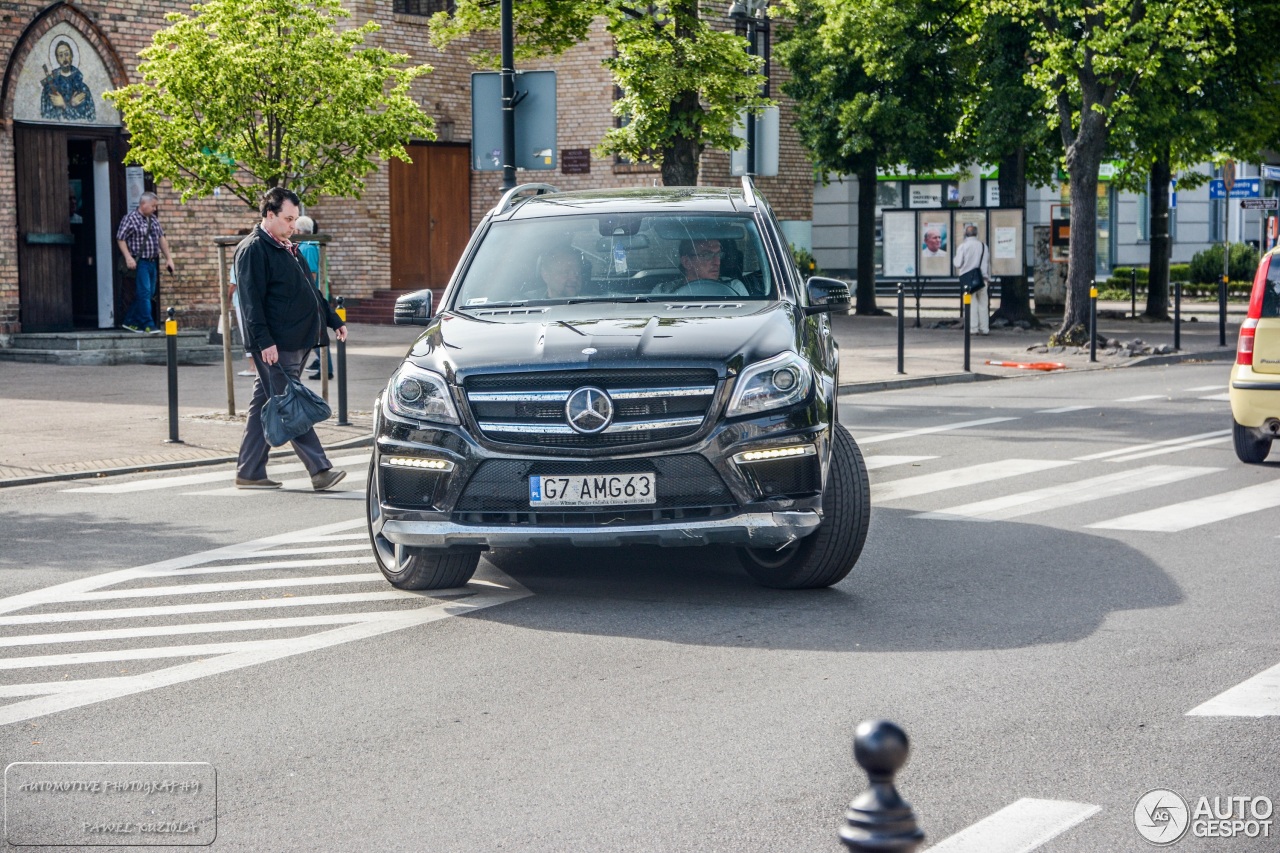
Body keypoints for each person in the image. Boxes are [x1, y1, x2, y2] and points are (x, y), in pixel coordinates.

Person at [233, 187, 348, 491]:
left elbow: (310, 291)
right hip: (276, 344)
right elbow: (250, 304)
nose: (293, 226)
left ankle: (250, 471)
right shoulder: (253, 249)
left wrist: (332, 319)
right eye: (287, 219)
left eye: (295, 219)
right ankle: (319, 469)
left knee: (266, 403)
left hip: (297, 339)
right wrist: (263, 342)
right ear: (269, 215)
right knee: (291, 404)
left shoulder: (287, 246)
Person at [116, 191, 175, 333]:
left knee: (149, 293)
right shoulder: (130, 218)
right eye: (153, 206)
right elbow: (120, 238)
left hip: (152, 261)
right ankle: (148, 324)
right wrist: (128, 257)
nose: (155, 209)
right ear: (143, 204)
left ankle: (130, 321)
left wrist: (169, 258)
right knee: (144, 292)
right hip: (140, 262)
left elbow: (161, 238)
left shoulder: (153, 219)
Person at [294, 216, 333, 380]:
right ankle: (321, 364)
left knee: (316, 333)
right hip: (315, 294)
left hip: (311, 296)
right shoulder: (313, 245)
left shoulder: (308, 247)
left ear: (298, 230)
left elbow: (310, 274)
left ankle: (327, 368)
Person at [40, 39, 95, 121]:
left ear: (72, 56)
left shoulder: (82, 88)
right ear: (57, 59)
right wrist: (69, 105)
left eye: (67, 54)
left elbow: (90, 118)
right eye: (61, 55)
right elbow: (46, 118)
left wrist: (65, 105)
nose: (64, 58)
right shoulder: (49, 88)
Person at [953, 224, 991, 335]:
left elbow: (958, 263)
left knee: (971, 304)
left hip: (968, 281)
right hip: (982, 279)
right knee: (983, 305)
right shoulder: (984, 246)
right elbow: (987, 263)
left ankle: (973, 328)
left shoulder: (963, 247)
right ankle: (984, 329)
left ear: (965, 234)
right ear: (976, 233)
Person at [676, 238, 748, 295]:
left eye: (719, 254)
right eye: (707, 255)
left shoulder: (734, 287)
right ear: (687, 262)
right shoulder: (669, 292)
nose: (718, 262)